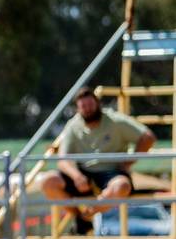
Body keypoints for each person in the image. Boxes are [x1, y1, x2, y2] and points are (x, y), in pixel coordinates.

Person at [40, 87, 156, 220]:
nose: (88, 109)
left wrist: (129, 162)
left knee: (122, 186)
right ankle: (79, 218)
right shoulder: (73, 125)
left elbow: (148, 137)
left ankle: (89, 214)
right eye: (83, 106)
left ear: (98, 104)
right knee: (47, 181)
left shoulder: (114, 120)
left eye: (90, 104)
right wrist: (77, 177)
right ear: (78, 109)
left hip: (112, 172)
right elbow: (62, 159)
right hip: (83, 174)